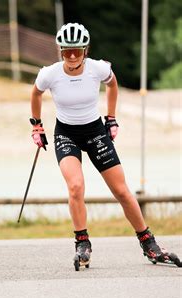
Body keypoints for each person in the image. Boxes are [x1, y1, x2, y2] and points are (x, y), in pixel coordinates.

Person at [30, 23, 180, 270]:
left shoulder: (97, 68)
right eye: (66, 51)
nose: (71, 56)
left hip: (95, 131)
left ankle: (149, 243)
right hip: (66, 133)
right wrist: (37, 125)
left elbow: (112, 84)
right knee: (76, 186)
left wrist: (111, 118)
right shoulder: (50, 74)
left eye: (76, 51)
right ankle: (82, 243)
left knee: (121, 191)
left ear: (85, 50)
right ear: (60, 51)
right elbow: (36, 94)